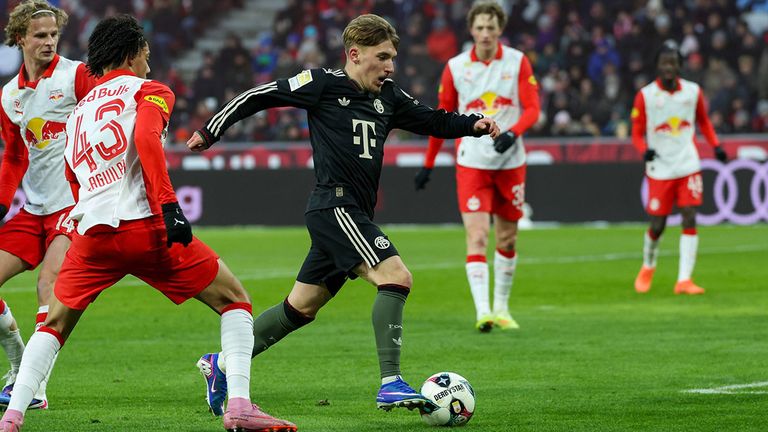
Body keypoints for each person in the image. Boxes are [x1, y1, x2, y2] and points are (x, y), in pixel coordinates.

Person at [187, 14, 499, 416]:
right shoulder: (322, 84)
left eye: (393, 58)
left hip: (350, 213)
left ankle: (222, 363)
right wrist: (212, 130)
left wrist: (473, 124)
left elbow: (433, 120)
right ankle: (390, 381)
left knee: (300, 308)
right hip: (334, 206)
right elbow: (258, 95)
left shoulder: (389, 97)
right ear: (355, 54)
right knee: (396, 276)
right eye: (382, 57)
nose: (390, 66)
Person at [0, 15, 296, 432]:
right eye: (147, 56)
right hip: (144, 227)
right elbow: (144, 140)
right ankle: (241, 406)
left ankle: (12, 417)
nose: (150, 66)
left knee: (52, 324)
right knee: (234, 300)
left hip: (91, 234)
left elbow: (71, 170)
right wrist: (170, 206)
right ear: (133, 53)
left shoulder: (79, 110)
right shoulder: (151, 90)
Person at [413, 1, 540, 332]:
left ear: (500, 29)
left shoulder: (517, 62)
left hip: (511, 162)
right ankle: (483, 312)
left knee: (508, 238)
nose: (485, 33)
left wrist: (513, 134)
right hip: (472, 162)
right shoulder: (455, 67)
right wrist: (428, 163)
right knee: (478, 235)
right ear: (471, 30)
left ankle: (502, 309)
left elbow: (533, 108)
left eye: (491, 27)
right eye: (479, 27)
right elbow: (441, 118)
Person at [0, 0, 97, 409]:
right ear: (20, 37)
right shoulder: (9, 95)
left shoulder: (77, 75)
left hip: (72, 207)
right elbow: (15, 156)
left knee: (48, 284)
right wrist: (2, 204)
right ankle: (19, 359)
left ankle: (34, 388)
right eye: (40, 35)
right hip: (32, 211)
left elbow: (113, 106)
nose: (48, 42)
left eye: (53, 34)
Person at [631, 40, 726, 295]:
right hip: (660, 168)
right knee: (658, 225)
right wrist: (644, 151)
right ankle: (648, 264)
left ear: (680, 66)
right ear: (657, 67)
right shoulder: (646, 96)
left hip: (687, 163)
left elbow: (704, 123)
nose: (669, 68)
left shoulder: (693, 92)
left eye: (673, 63)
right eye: (664, 63)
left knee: (689, 215)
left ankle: (684, 280)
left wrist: (715, 145)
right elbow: (636, 133)